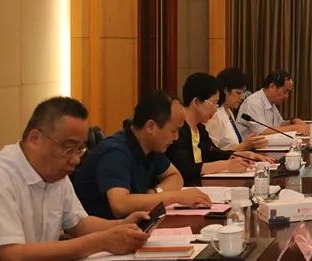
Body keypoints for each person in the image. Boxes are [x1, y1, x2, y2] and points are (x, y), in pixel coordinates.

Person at [0, 97, 151, 261]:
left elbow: (78, 223)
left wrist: (122, 225)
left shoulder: (55, 173)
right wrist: (100, 242)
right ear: (35, 139)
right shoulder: (1, 176)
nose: (76, 160)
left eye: (80, 149)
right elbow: (13, 257)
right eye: (68, 148)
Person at [72, 91, 211, 219]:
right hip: (100, 232)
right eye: (173, 131)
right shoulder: (115, 152)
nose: (176, 138)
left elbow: (175, 177)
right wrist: (176, 197)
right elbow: (120, 205)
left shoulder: (150, 146)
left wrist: (155, 193)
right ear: (150, 127)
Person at [167, 73, 273, 185]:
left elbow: (214, 153)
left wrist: (240, 154)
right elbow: (184, 169)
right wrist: (226, 165)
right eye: (214, 103)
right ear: (196, 102)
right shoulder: (179, 130)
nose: (215, 109)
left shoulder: (200, 128)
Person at [206, 67, 268, 152]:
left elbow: (233, 145)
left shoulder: (228, 112)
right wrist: (244, 146)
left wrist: (250, 145)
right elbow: (212, 154)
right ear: (225, 90)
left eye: (243, 93)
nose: (242, 97)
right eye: (238, 93)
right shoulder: (215, 115)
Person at [236, 69, 309, 137]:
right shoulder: (254, 102)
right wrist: (294, 128)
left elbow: (279, 124)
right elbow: (262, 133)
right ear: (272, 86)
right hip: (249, 146)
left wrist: (293, 121)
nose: (286, 96)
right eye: (285, 91)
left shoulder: (270, 102)